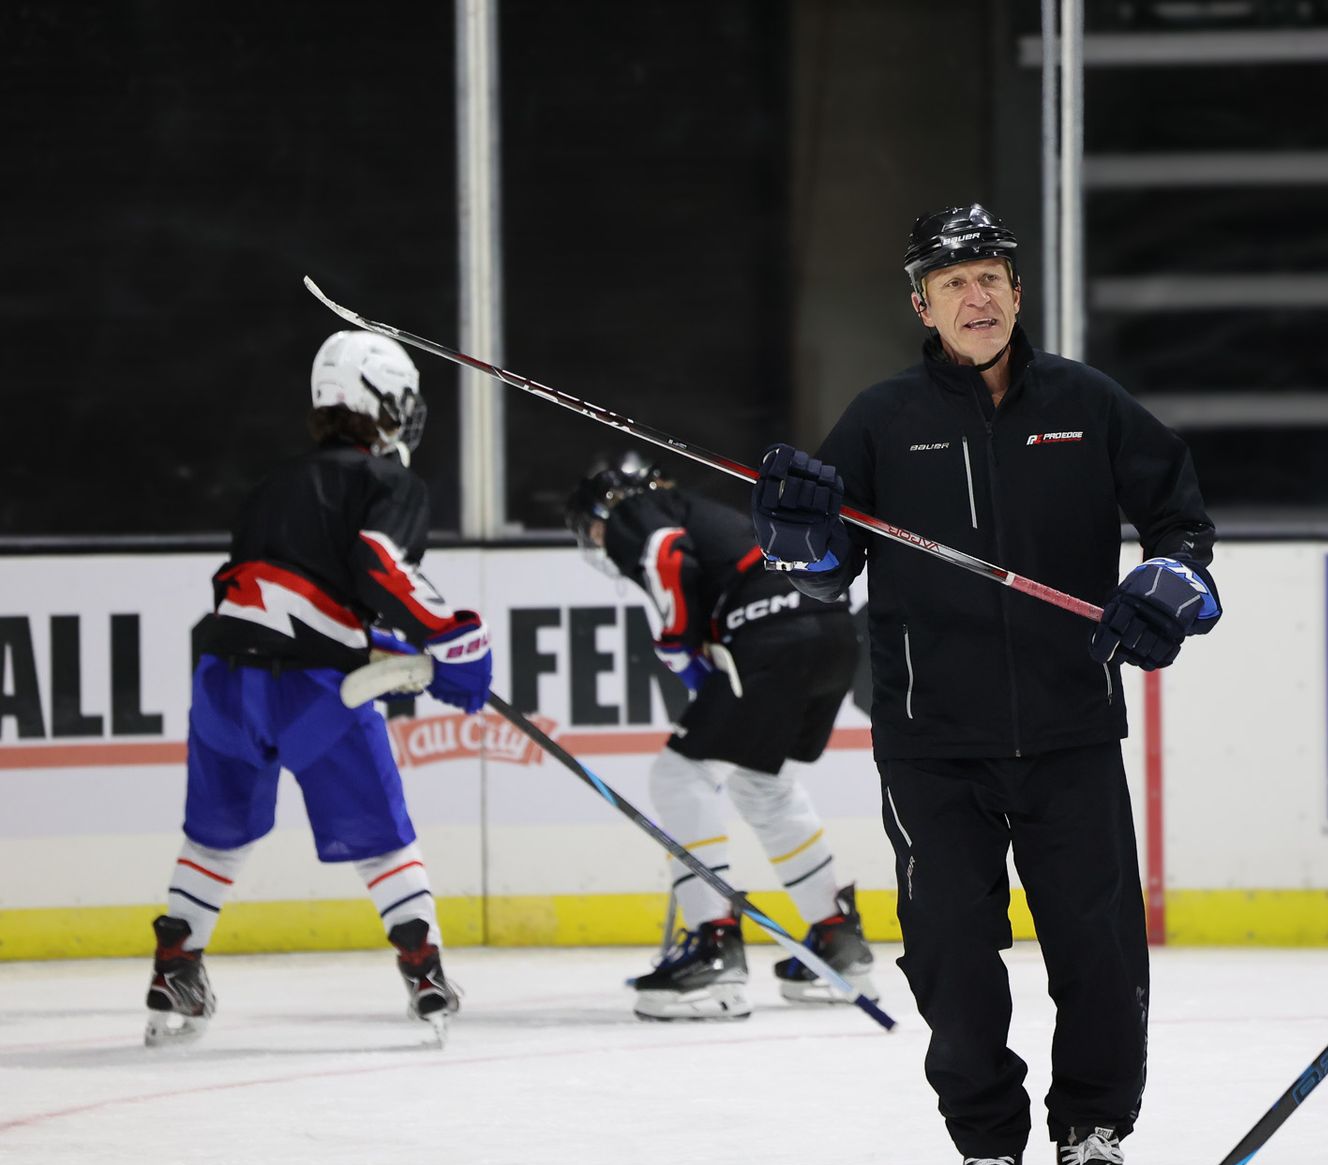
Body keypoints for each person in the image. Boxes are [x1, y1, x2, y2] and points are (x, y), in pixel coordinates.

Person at [750, 203, 1221, 1165]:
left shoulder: (1086, 405)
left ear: (1017, 291)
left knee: (1099, 957)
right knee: (953, 961)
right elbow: (825, 567)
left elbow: (1182, 520)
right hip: (931, 743)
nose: (978, 296)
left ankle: (1093, 1134)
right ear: (922, 303)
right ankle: (986, 1139)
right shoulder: (880, 420)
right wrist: (796, 538)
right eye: (955, 280)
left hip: (1068, 732)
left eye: (994, 276)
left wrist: (1172, 583)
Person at [144, 330, 492, 1047]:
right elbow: (380, 565)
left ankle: (174, 966)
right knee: (380, 838)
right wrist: (456, 639)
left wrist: (371, 639)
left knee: (215, 836)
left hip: (222, 684)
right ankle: (424, 972)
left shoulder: (270, 482)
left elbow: (290, 588)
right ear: (380, 400)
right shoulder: (387, 481)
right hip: (314, 695)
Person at [564, 455, 871, 1020]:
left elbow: (663, 557)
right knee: (764, 784)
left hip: (774, 633)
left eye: (592, 526)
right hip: (831, 634)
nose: (598, 539)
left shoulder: (636, 510)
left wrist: (676, 647)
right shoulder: (699, 510)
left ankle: (714, 948)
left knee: (679, 775)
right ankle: (839, 942)